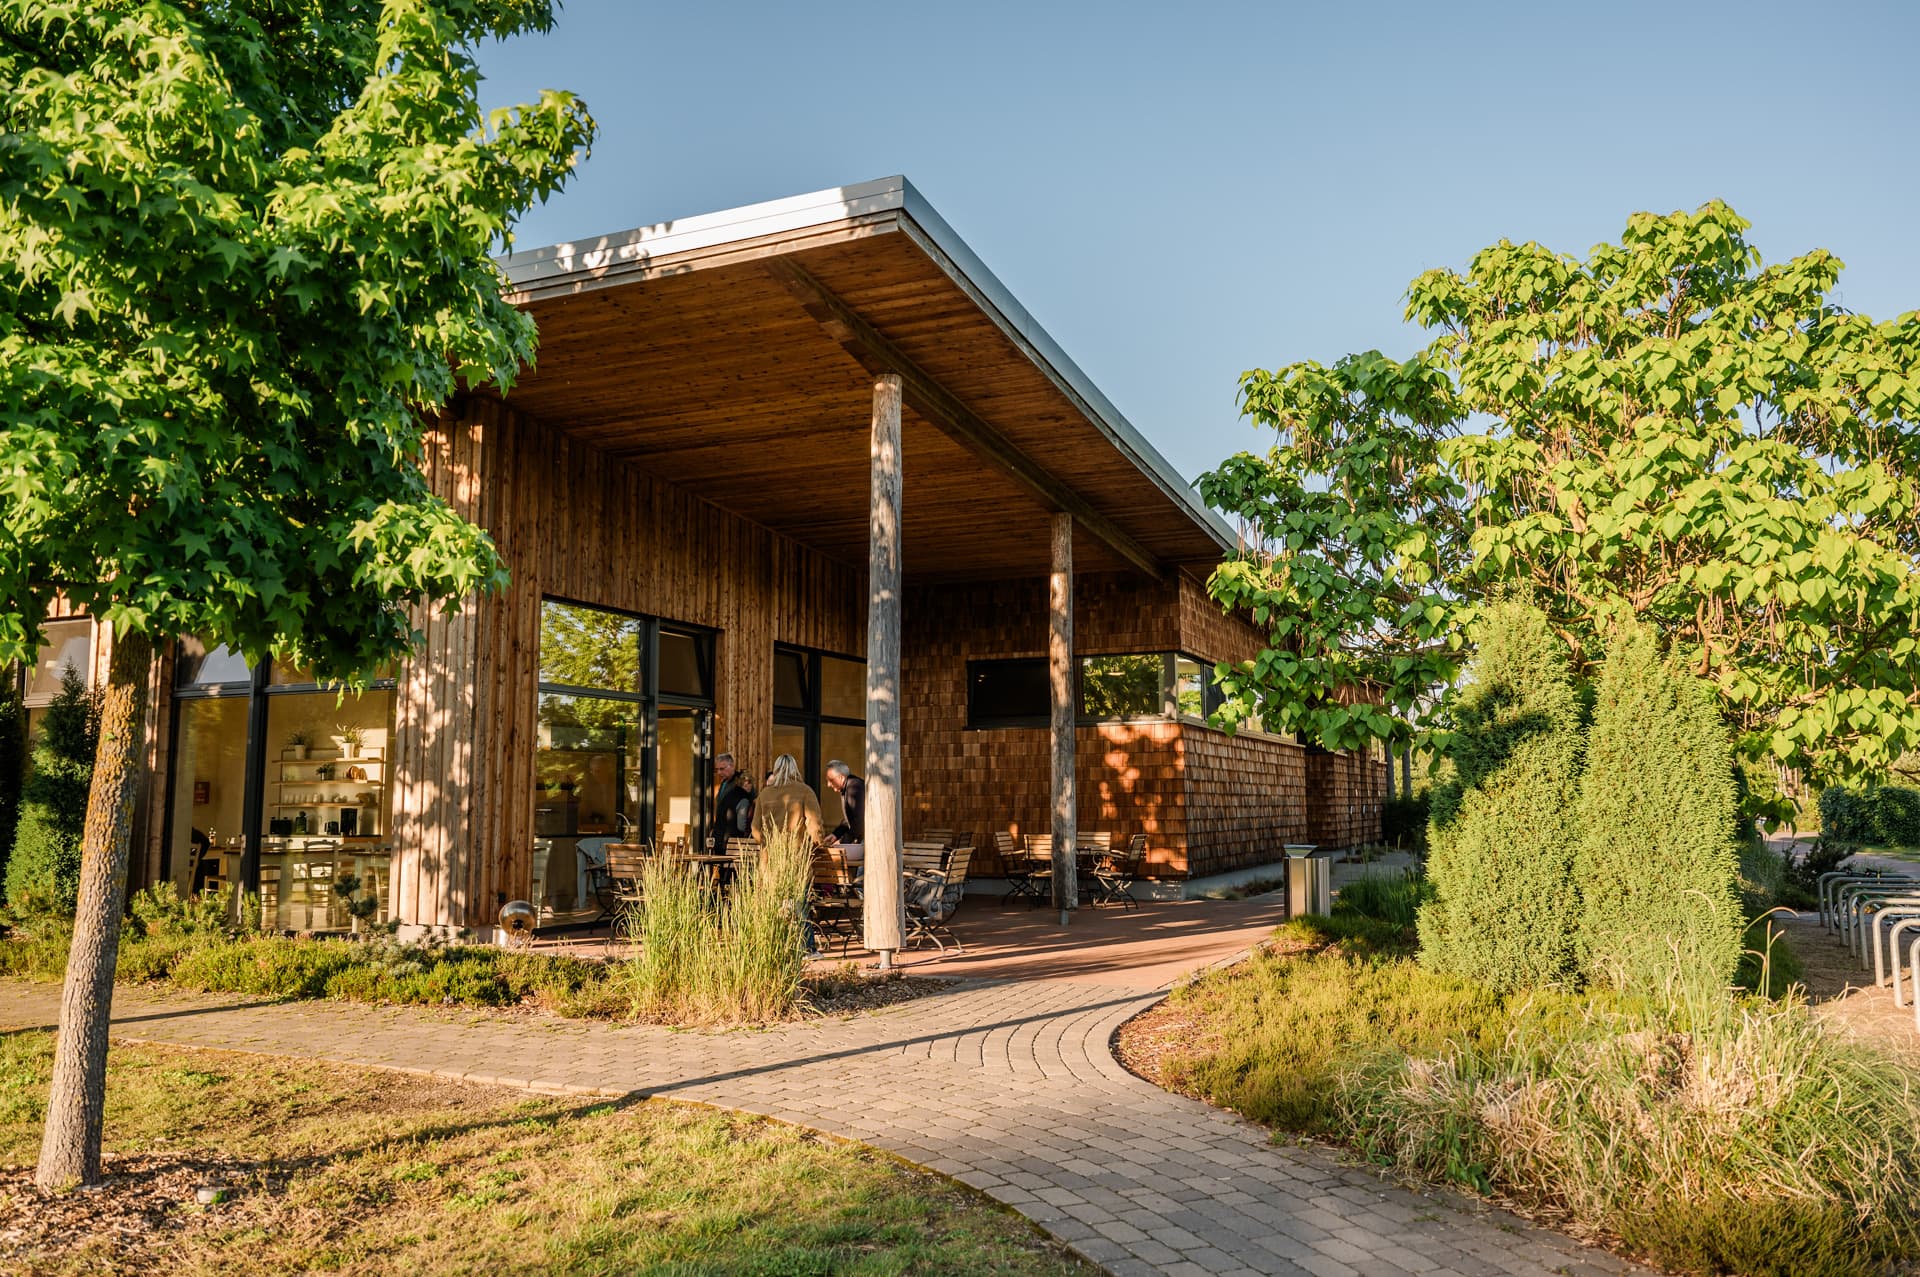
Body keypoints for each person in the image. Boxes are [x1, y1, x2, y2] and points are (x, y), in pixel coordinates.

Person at [756, 753, 827, 847]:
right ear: (795, 770)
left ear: (775, 771)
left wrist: (767, 846)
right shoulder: (806, 791)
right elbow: (814, 826)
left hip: (769, 856)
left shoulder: (764, 794)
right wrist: (817, 844)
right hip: (797, 856)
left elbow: (755, 828)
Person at [710, 752, 756, 849]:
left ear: (731, 766)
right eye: (717, 769)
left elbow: (751, 802)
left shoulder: (742, 782)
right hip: (720, 836)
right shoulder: (723, 783)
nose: (719, 773)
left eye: (722, 769)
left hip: (733, 839)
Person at [824, 760, 866, 845]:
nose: (828, 784)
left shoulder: (855, 787)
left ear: (841, 777)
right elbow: (849, 819)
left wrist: (842, 841)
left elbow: (859, 822)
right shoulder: (847, 786)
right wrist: (835, 834)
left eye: (831, 780)